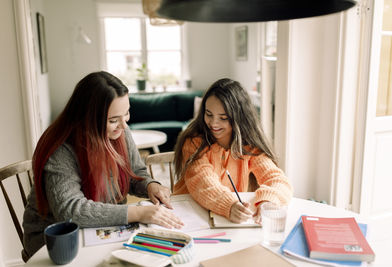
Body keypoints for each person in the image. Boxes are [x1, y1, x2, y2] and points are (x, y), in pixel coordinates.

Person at [22, 71, 183, 258]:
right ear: (87, 118)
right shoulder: (61, 149)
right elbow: (71, 210)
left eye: (127, 113)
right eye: (113, 120)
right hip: (55, 242)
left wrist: (150, 185)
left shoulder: (120, 131)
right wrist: (138, 213)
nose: (124, 125)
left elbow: (135, 172)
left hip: (99, 229)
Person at [173, 78, 293, 224]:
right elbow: (203, 182)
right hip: (188, 214)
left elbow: (277, 180)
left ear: (239, 118)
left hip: (224, 220)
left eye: (223, 118)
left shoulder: (249, 147)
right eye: (209, 114)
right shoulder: (193, 142)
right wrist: (228, 205)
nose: (213, 123)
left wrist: (268, 201)